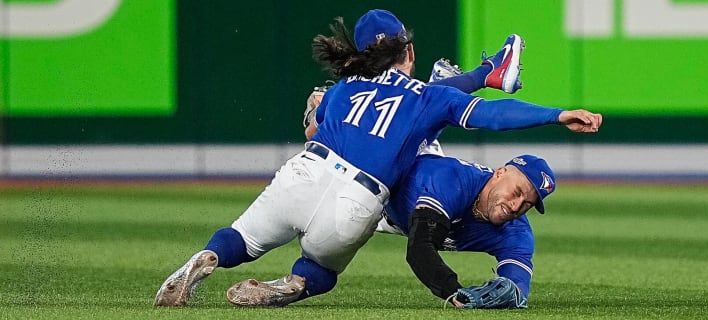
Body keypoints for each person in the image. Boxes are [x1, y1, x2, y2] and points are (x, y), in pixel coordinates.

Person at [154, 8, 602, 307]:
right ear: (407, 50)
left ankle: (207, 257)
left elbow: (313, 127)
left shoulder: (344, 87)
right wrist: (556, 114)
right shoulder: (427, 98)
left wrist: (317, 108)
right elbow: (494, 116)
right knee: (322, 269)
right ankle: (295, 283)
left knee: (241, 239)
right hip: (361, 196)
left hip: (306, 170)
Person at [384, 153, 554, 308]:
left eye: (527, 204)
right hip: (382, 191)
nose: (516, 206)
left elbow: (517, 291)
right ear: (499, 173)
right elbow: (419, 248)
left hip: (418, 209)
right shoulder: (454, 181)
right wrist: (453, 291)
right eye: (516, 192)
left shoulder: (517, 233)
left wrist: (510, 294)